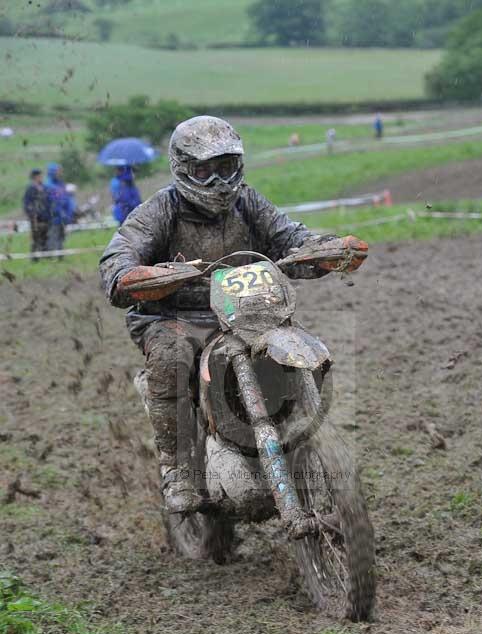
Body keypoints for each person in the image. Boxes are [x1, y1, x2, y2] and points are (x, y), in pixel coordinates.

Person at [99, 116, 367, 513]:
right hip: (176, 316)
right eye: (204, 171)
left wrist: (324, 249)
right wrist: (132, 274)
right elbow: (120, 254)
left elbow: (289, 237)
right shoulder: (161, 210)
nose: (218, 182)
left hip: (248, 313)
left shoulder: (249, 203)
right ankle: (179, 469)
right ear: (183, 168)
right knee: (173, 357)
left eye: (225, 168)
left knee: (295, 347)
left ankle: (307, 438)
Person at [23, 168, 50, 259]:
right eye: (39, 176)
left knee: (45, 237)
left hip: (45, 217)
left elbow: (47, 202)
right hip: (35, 218)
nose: (41, 177)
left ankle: (46, 256)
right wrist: (32, 214)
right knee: (36, 238)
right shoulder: (30, 189)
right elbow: (27, 204)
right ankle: (34, 258)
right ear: (35, 177)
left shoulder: (45, 188)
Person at [44, 163, 71, 253]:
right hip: (53, 217)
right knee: (53, 235)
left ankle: (60, 254)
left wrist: (68, 212)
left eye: (61, 171)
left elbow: (66, 198)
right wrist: (59, 212)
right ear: (52, 172)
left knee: (61, 236)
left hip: (63, 216)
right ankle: (52, 255)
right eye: (58, 171)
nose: (60, 173)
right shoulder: (48, 185)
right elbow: (52, 202)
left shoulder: (61, 184)